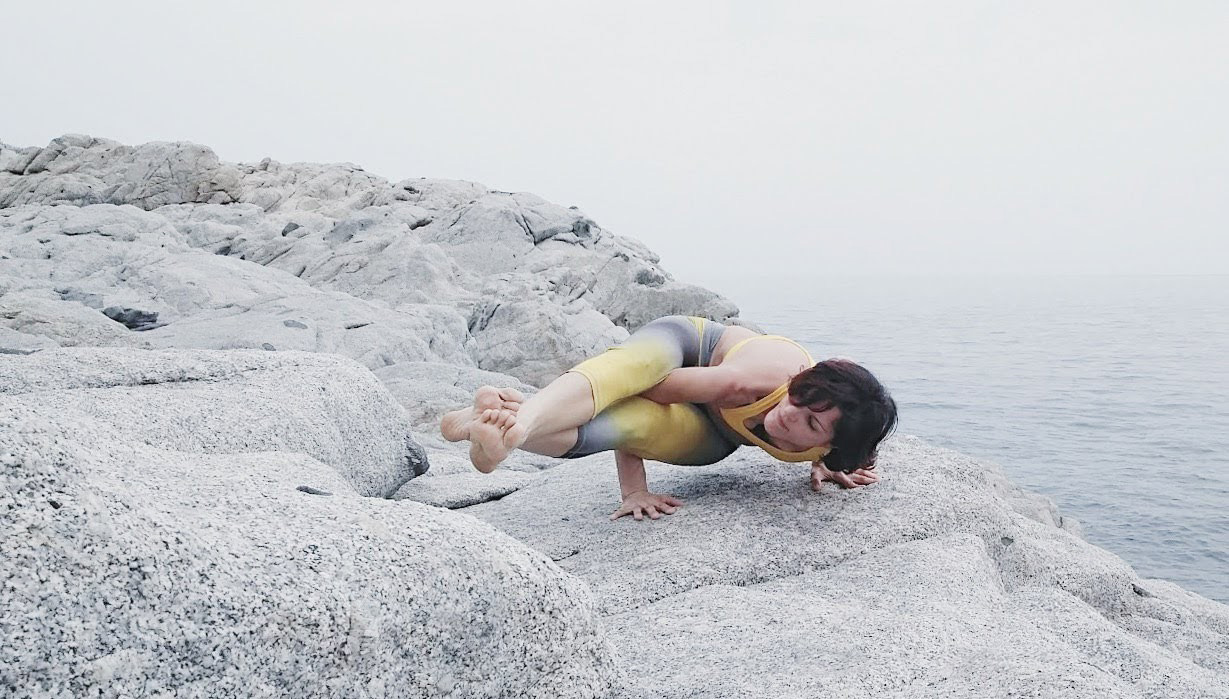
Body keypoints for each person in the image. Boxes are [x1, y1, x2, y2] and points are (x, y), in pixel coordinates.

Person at [440, 315, 897, 522]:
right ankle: (520, 421)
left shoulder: (842, 443)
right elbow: (641, 388)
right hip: (685, 351)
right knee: (632, 370)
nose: (788, 414)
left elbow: (850, 437)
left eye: (812, 426)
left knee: (639, 424)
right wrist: (632, 488)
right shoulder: (752, 382)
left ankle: (494, 424)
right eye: (797, 399)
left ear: (832, 446)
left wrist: (826, 467)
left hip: (713, 432)